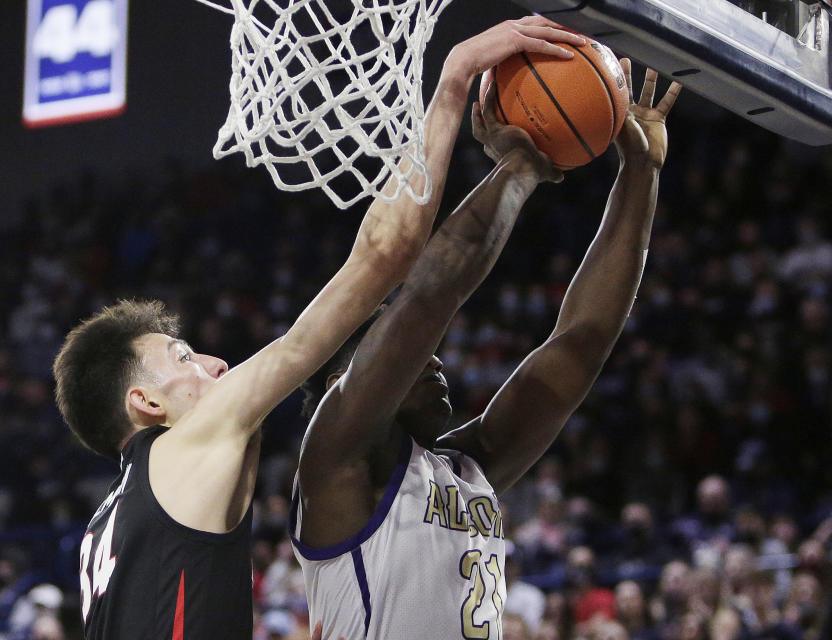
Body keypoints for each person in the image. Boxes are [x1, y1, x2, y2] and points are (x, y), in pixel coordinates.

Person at [51, 18, 587, 640]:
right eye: (184, 357)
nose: (216, 364)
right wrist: (454, 80)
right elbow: (383, 258)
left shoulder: (105, 526)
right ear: (144, 402)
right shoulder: (183, 445)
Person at [290, 61, 681, 640]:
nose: (434, 359)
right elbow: (427, 299)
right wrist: (521, 164)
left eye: (429, 354)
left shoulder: (472, 470)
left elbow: (582, 341)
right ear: (335, 384)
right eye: (397, 352)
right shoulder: (334, 457)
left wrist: (640, 173)